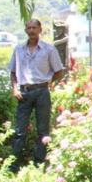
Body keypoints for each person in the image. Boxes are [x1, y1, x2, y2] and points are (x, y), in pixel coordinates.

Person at [8, 19, 65, 171]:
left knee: (42, 130)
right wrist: (15, 89)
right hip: (24, 92)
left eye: (34, 27)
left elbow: (59, 71)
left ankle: (39, 164)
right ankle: (13, 166)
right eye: (29, 28)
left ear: (40, 29)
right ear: (25, 30)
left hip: (41, 92)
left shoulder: (49, 49)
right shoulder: (19, 49)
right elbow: (13, 72)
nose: (31, 30)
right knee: (20, 130)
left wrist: (48, 82)